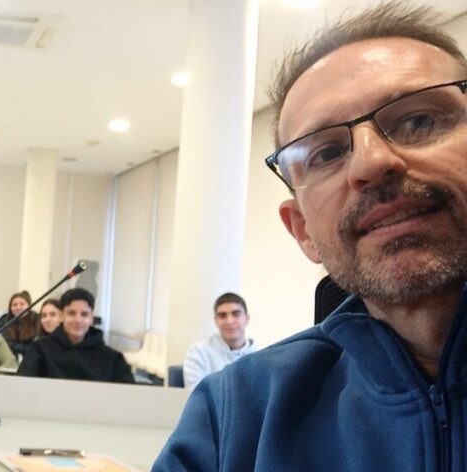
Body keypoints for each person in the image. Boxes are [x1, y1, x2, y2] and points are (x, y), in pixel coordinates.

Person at [154, 4, 467, 469]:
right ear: (303, 232)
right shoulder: (235, 418)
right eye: (326, 153)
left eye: (419, 120)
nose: (370, 162)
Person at [17, 288, 133, 384]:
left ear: (91, 318)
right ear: (62, 316)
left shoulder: (113, 359)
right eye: (71, 313)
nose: (78, 320)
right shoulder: (40, 350)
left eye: (84, 314)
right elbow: (23, 388)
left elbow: (128, 399)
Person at [182, 292, 258, 388]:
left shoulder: (259, 355)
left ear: (247, 318)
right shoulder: (199, 351)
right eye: (222, 315)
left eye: (236, 314)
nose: (229, 321)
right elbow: (195, 394)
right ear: (216, 320)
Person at [0, 291, 39, 358]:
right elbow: (7, 344)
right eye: (14, 305)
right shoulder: (4, 321)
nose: (18, 307)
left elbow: (37, 343)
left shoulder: (37, 319)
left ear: (29, 305)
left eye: (22, 304)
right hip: (10, 357)